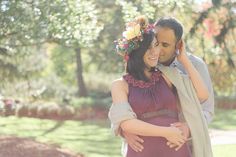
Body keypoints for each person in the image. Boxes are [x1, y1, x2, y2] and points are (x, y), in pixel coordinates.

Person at [108, 16, 213, 157]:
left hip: (179, 144)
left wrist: (188, 127)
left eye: (161, 45)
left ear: (178, 45)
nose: (156, 51)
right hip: (142, 148)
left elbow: (203, 99)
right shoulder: (121, 83)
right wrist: (124, 129)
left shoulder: (169, 74)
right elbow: (120, 115)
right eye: (152, 45)